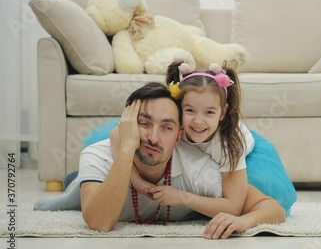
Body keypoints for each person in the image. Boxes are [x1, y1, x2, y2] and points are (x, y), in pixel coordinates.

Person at [38, 82, 285, 238]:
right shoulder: (99, 155)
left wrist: (244, 221)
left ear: (179, 137)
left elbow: (272, 208)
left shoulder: (199, 168)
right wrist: (125, 149)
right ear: (126, 123)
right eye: (143, 124)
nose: (153, 138)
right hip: (102, 172)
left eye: (166, 128)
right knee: (79, 187)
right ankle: (74, 184)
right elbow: (99, 223)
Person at [123, 62, 296, 217]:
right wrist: (136, 180)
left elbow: (233, 207)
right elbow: (118, 136)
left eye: (209, 112)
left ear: (223, 112)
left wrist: (183, 198)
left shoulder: (229, 145)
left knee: (243, 195)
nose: (198, 121)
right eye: (190, 110)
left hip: (237, 144)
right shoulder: (171, 124)